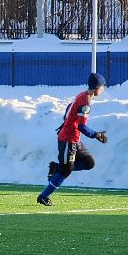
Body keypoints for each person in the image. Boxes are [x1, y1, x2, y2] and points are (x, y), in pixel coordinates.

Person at [37, 72, 109, 207]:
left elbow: (69, 109)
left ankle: (56, 168)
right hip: (68, 139)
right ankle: (44, 196)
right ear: (97, 87)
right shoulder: (86, 102)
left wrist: (68, 123)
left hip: (74, 138)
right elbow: (82, 126)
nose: (103, 89)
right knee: (65, 171)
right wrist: (96, 135)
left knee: (89, 163)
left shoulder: (81, 95)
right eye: (102, 86)